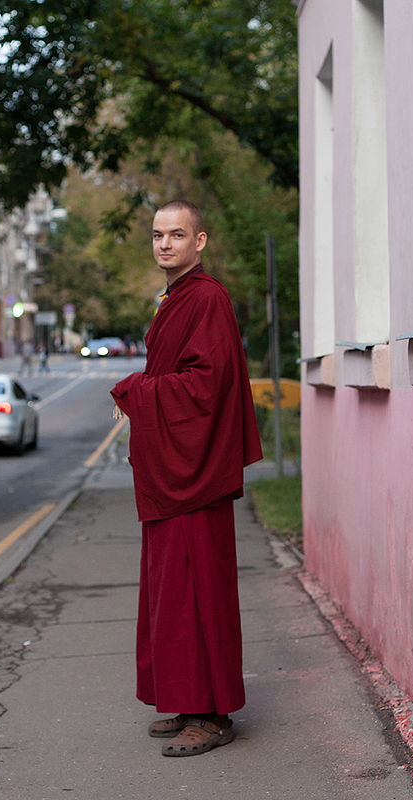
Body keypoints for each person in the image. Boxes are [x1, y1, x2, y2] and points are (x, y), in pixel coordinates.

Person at [110, 200, 262, 758]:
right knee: (171, 594)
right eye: (157, 235)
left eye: (177, 235)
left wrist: (135, 390)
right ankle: (186, 699)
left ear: (200, 241)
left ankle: (213, 715)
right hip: (174, 466)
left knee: (198, 593)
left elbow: (205, 384)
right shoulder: (177, 299)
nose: (164, 244)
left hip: (195, 472)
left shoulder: (207, 299)